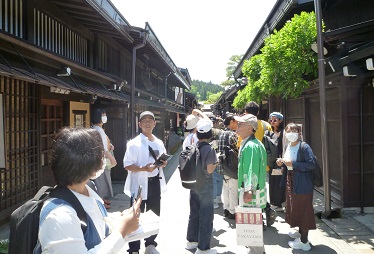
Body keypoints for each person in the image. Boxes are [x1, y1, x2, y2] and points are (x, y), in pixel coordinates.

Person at [37, 127, 141, 253]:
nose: (103, 159)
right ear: (86, 163)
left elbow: (98, 222)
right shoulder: (60, 216)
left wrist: (122, 218)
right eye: (101, 155)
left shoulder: (88, 189)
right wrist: (122, 230)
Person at [123, 111, 168, 254]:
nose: (147, 122)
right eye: (144, 120)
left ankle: (150, 244)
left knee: (154, 213)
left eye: (150, 120)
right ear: (139, 124)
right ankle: (134, 248)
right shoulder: (133, 143)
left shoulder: (159, 142)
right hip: (140, 185)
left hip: (155, 182)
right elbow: (127, 165)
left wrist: (163, 164)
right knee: (136, 215)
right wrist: (143, 168)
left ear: (155, 123)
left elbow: (163, 159)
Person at [276, 123, 316, 251]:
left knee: (304, 210)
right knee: (295, 207)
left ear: (299, 133)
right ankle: (300, 234)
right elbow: (289, 163)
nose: (290, 133)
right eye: (288, 130)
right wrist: (282, 163)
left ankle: (304, 242)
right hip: (291, 180)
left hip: (303, 183)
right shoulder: (288, 146)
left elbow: (311, 164)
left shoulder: (304, 147)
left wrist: (293, 164)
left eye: (294, 130)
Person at [185, 119, 218, 254]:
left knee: (194, 213)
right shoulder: (209, 149)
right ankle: (203, 248)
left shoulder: (193, 146)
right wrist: (216, 162)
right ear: (210, 133)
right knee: (206, 216)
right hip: (205, 184)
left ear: (197, 133)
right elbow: (209, 170)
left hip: (193, 184)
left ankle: (191, 242)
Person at [243, 101, 275, 226]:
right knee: (261, 189)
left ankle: (259, 217)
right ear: (257, 112)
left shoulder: (246, 126)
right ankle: (266, 209)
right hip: (264, 163)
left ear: (246, 112)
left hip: (249, 164)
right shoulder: (266, 125)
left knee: (250, 190)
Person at [235, 114, 267, 212]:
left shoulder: (251, 146)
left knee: (250, 222)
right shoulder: (252, 143)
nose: (237, 126)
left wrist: (249, 190)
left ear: (249, 127)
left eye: (240, 124)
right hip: (253, 189)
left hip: (251, 192)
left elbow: (251, 168)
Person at [90, 108, 117, 209]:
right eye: (103, 115)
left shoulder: (95, 128)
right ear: (99, 117)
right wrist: (112, 158)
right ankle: (100, 201)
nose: (105, 117)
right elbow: (103, 148)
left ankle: (101, 199)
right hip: (102, 158)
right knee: (102, 181)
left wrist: (111, 146)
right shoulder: (99, 130)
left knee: (100, 180)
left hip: (98, 159)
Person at [217, 113, 239, 219]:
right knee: (233, 189)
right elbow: (237, 150)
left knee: (225, 188)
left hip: (223, 166)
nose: (237, 123)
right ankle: (232, 211)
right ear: (231, 122)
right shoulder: (233, 135)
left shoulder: (220, 134)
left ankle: (226, 209)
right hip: (232, 166)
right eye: (235, 121)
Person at [268, 112, 286, 212]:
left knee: (281, 181)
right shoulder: (268, 133)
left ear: (280, 121)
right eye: (271, 120)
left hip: (282, 160)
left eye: (275, 120)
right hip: (272, 161)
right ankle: (273, 202)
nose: (272, 122)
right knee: (272, 181)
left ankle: (281, 202)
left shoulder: (284, 133)